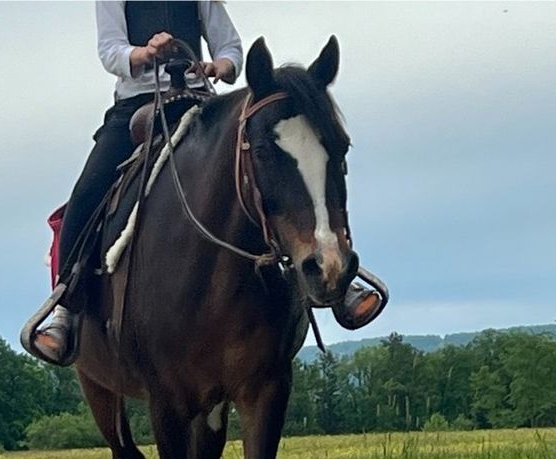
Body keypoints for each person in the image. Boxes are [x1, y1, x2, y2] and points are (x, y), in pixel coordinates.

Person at [28, 0, 383, 365]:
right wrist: (144, 52)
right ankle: (66, 311)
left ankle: (337, 281)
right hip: (136, 107)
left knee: (273, 165)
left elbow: (228, 46)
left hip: (200, 103)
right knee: (87, 193)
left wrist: (221, 65)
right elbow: (110, 51)